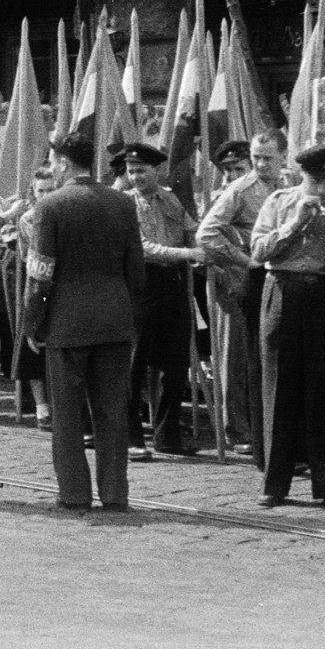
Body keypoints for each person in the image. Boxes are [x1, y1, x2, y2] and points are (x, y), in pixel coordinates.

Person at [24, 136, 146, 511]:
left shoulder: (50, 206)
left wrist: (33, 323)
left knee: (67, 414)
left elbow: (41, 275)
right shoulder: (122, 203)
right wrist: (132, 318)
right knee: (112, 411)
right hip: (114, 321)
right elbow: (136, 268)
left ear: (61, 164)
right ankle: (115, 493)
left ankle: (74, 493)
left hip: (67, 323)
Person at [250, 144, 325, 510]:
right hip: (284, 290)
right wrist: (295, 224)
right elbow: (259, 251)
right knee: (278, 388)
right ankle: (274, 483)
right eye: (318, 181)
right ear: (303, 176)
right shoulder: (280, 201)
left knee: (324, 391)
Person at [197, 131, 288, 463]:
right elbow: (206, 232)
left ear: (283, 156)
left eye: (267, 157)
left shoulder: (289, 184)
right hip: (255, 279)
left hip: (287, 279)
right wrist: (244, 261)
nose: (261, 164)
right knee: (252, 360)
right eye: (257, 157)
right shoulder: (241, 190)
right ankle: (252, 435)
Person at [122, 142, 204, 458]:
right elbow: (142, 247)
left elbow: (191, 230)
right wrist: (186, 253)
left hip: (174, 285)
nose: (137, 177)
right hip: (142, 286)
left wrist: (202, 242)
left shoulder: (171, 199)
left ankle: (168, 435)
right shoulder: (125, 204)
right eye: (131, 171)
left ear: (156, 171)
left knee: (176, 362)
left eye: (142, 170)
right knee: (135, 363)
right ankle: (132, 437)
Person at [15, 168, 61, 429]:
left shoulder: (65, 213)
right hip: (39, 286)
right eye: (41, 190)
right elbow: (28, 255)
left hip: (62, 288)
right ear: (33, 192)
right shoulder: (29, 219)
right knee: (32, 347)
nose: (45, 194)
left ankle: (59, 405)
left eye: (50, 189)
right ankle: (42, 408)